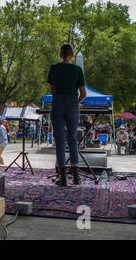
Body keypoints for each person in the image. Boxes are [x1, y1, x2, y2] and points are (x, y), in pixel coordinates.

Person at [47, 43, 87, 187]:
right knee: (72, 139)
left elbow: (52, 90)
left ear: (60, 54)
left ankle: (62, 177)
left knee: (59, 140)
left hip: (58, 103)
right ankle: (76, 177)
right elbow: (83, 94)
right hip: (72, 105)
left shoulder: (54, 69)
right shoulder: (77, 70)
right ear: (72, 55)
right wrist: (75, 102)